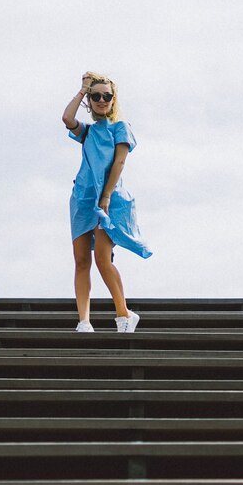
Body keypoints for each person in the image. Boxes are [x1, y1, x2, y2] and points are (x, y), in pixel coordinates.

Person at [62, 71, 153, 333]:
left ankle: (124, 314)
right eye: (96, 96)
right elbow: (67, 118)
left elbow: (119, 163)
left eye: (106, 96)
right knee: (81, 260)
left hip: (109, 199)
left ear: (114, 100)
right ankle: (84, 321)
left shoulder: (120, 128)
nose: (101, 100)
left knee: (103, 258)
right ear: (90, 100)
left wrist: (106, 196)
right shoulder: (88, 131)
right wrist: (81, 90)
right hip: (82, 199)